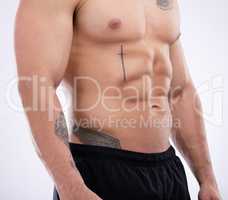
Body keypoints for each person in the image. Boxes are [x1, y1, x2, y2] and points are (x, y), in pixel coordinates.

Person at [15, 0, 221, 199]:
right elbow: (36, 86)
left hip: (168, 171)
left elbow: (180, 91)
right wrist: (70, 186)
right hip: (98, 170)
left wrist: (207, 178)